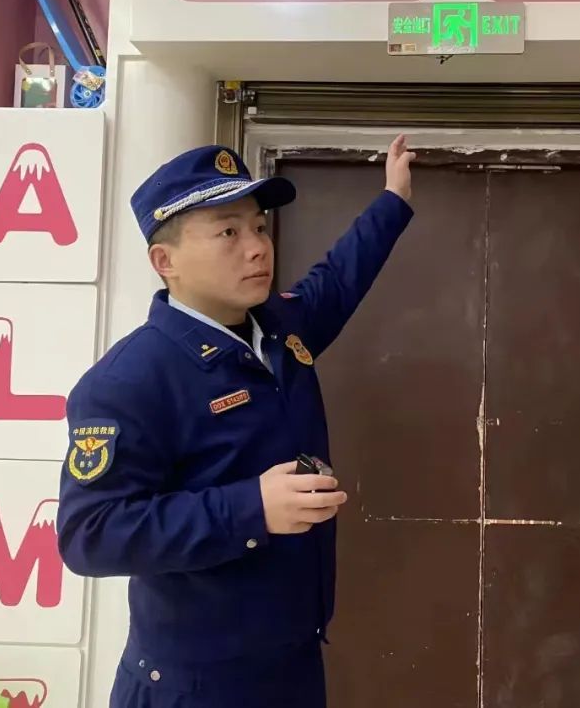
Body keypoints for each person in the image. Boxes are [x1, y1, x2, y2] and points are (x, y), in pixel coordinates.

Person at [56, 136, 416, 708]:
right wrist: (252, 509)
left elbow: (339, 278)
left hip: (293, 665)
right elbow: (89, 535)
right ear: (165, 262)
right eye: (228, 232)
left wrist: (393, 200)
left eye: (259, 228)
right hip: (193, 685)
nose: (257, 248)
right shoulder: (131, 379)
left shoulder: (278, 329)